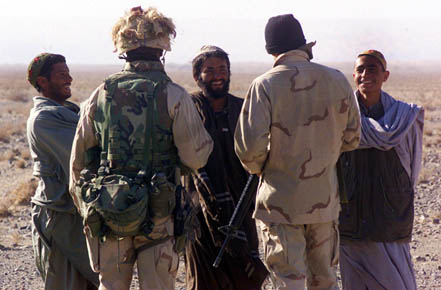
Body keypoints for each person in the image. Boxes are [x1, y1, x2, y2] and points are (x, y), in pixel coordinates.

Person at [69, 6, 213, 290]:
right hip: (159, 215)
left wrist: (90, 206)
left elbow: (77, 163)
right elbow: (196, 157)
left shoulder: (100, 95)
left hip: (110, 209)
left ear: (124, 51)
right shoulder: (174, 95)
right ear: (162, 51)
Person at [234, 14, 361, 289]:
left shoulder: (264, 85)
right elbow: (352, 138)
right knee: (324, 280)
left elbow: (249, 150)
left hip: (280, 204)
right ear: (303, 44)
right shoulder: (337, 80)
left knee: (289, 280)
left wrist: (271, 165)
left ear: (271, 50)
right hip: (325, 202)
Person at [183, 45, 268, 290]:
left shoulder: (243, 109)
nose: (218, 75)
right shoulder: (187, 109)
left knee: (244, 278)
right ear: (197, 76)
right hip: (199, 213)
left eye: (222, 69)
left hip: (241, 208)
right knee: (203, 280)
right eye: (210, 70)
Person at [338, 50, 424, 290]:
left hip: (390, 220)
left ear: (385, 75)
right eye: (361, 70)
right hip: (350, 221)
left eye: (372, 69)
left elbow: (411, 170)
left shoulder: (404, 117)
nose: (366, 74)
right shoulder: (341, 117)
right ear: (353, 75)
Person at [26, 53, 99, 290]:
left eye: (68, 73)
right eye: (61, 75)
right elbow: (81, 159)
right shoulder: (45, 118)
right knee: (66, 281)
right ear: (43, 82)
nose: (69, 78)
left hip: (74, 212)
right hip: (59, 213)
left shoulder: (69, 112)